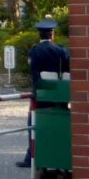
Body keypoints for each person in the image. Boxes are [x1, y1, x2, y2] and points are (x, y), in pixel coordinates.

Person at [17, 17, 70, 168]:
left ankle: (31, 157)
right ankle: (55, 154)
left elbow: (34, 75)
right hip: (58, 94)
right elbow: (66, 72)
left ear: (39, 35)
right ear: (52, 35)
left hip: (40, 94)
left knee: (33, 123)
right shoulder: (61, 50)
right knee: (58, 123)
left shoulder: (34, 51)